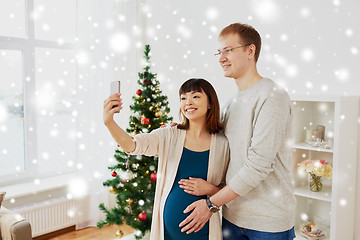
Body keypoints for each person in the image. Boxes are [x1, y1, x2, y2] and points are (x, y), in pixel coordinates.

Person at [179, 23, 296, 240]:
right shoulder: (232, 103)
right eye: (219, 52)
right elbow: (222, 151)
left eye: (228, 50)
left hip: (267, 222)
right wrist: (180, 128)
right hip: (232, 216)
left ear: (250, 51)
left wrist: (210, 203)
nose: (221, 58)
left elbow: (258, 166)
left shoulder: (271, 96)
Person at [103, 78, 229, 240]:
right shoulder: (169, 134)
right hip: (167, 232)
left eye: (195, 96)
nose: (188, 102)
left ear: (210, 103)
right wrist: (109, 122)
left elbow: (230, 194)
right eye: (183, 98)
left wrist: (209, 189)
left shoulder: (223, 144)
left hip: (205, 232)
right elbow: (132, 146)